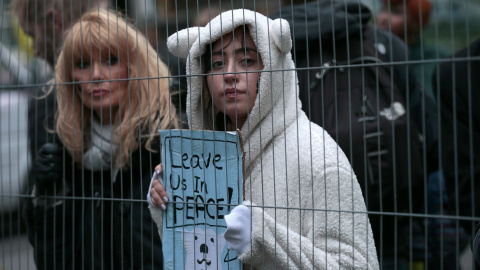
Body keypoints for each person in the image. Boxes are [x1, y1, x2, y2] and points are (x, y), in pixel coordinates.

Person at [148, 9, 379, 269]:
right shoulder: (202, 160)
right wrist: (169, 203)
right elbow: (195, 258)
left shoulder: (316, 155)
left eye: (246, 60)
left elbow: (358, 265)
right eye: (217, 63)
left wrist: (260, 237)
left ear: (273, 67)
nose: (229, 75)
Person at [23, 8, 180, 269]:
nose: (96, 75)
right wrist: (47, 200)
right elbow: (50, 259)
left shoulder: (167, 143)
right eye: (83, 64)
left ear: (134, 67)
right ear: (70, 77)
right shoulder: (63, 150)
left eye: (110, 60)